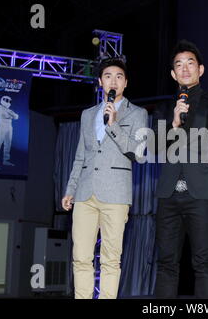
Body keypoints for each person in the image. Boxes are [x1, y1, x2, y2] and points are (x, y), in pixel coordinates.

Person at [152, 39, 208, 298]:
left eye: (190, 63)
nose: (185, 68)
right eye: (179, 64)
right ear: (172, 74)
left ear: (201, 69)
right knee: (166, 263)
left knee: (204, 262)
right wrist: (174, 125)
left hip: (202, 194)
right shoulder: (164, 109)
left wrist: (204, 172)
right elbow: (154, 148)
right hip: (168, 194)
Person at [62, 58, 148, 299]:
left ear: (126, 83)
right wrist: (70, 189)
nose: (114, 80)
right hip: (85, 194)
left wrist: (114, 125)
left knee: (111, 259)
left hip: (116, 195)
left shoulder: (138, 114)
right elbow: (81, 156)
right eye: (108, 76)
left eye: (119, 76)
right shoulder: (87, 114)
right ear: (100, 82)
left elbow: (139, 153)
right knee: (80, 257)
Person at [0, 95, 19, 170]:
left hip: (9, 127)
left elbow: (17, 117)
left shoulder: (8, 109)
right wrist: (11, 115)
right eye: (7, 100)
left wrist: (11, 114)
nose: (8, 102)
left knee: (8, 144)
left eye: (9, 101)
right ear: (3, 100)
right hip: (1, 127)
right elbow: (4, 115)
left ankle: (6, 160)